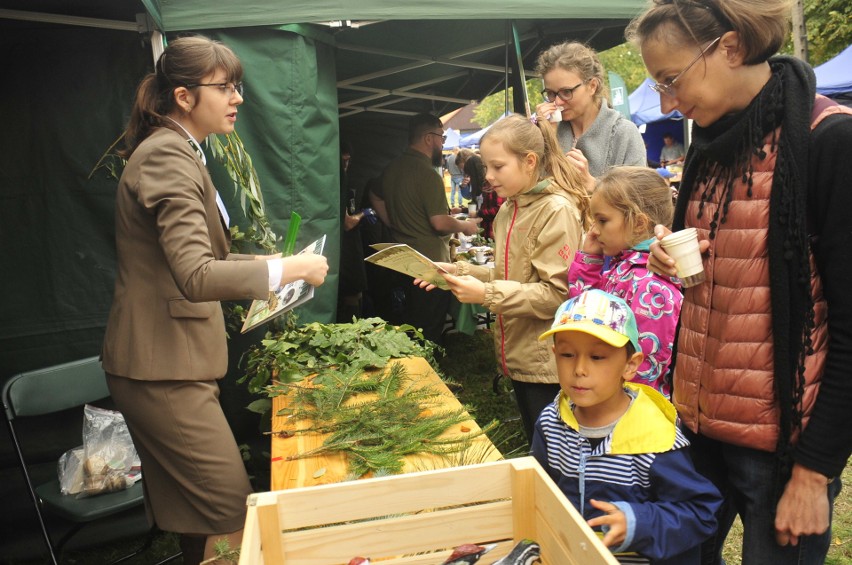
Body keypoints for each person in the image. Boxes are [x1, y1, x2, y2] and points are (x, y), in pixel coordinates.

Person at [627, 0, 852, 562]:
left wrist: (814, 473)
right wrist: (667, 261)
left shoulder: (829, 141)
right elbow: (713, 274)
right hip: (699, 430)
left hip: (778, 453)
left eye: (671, 80)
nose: (667, 101)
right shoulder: (710, 144)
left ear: (729, 48)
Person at [100, 36, 329, 565]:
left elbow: (190, 261)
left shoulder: (179, 150)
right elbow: (196, 276)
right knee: (229, 512)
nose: (238, 98)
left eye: (238, 86)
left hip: (170, 362)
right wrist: (287, 269)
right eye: (224, 87)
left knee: (195, 511)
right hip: (161, 370)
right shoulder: (167, 156)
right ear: (183, 96)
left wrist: (265, 267)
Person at [416, 113, 590, 442]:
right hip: (520, 355)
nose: (488, 177)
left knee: (557, 457)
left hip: (549, 364)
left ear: (529, 161)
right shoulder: (510, 208)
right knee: (538, 445)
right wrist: (460, 271)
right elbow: (511, 271)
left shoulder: (556, 211)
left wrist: (486, 294)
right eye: (487, 166)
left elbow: (557, 295)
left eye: (498, 167)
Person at [531, 289, 722, 564]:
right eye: (567, 354)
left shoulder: (656, 439)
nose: (580, 369)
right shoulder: (551, 423)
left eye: (597, 357)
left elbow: (699, 512)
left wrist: (638, 523)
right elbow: (542, 489)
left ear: (630, 365)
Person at [568, 166, 682, 398]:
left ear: (639, 223)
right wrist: (589, 262)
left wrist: (611, 403)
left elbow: (645, 369)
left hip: (630, 410)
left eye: (602, 220)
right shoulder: (623, 268)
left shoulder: (650, 285)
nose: (594, 231)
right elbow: (583, 318)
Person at [369, 113, 480, 344]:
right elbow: (439, 223)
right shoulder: (428, 174)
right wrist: (465, 225)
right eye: (441, 137)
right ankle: (427, 375)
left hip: (398, 261)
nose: (442, 143)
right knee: (428, 330)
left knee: (403, 325)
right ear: (429, 138)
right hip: (427, 266)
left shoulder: (392, 167)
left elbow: (373, 194)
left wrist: (391, 222)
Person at [534, 41, 646, 192]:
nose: (558, 101)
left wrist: (594, 185)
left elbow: (639, 196)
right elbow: (533, 188)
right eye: (551, 93)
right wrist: (546, 138)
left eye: (566, 92)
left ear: (592, 86)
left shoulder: (624, 133)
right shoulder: (549, 130)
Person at [337, 140, 377, 322]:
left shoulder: (345, 180)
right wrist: (364, 214)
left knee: (357, 294)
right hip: (345, 250)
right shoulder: (338, 180)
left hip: (353, 246)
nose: (346, 165)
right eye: (343, 161)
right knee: (351, 295)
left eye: (348, 161)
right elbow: (347, 223)